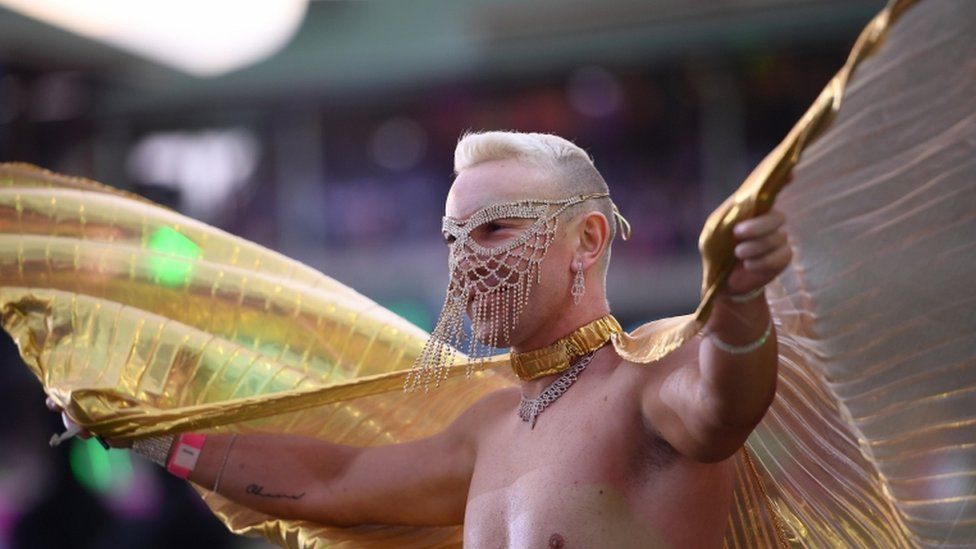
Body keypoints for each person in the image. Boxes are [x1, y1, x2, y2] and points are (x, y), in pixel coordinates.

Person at [52, 131, 791, 548]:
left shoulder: (651, 387)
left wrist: (741, 299)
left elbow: (726, 400)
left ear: (587, 239)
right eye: (451, 236)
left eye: (495, 228)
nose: (464, 258)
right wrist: (148, 432)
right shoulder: (490, 428)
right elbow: (330, 482)